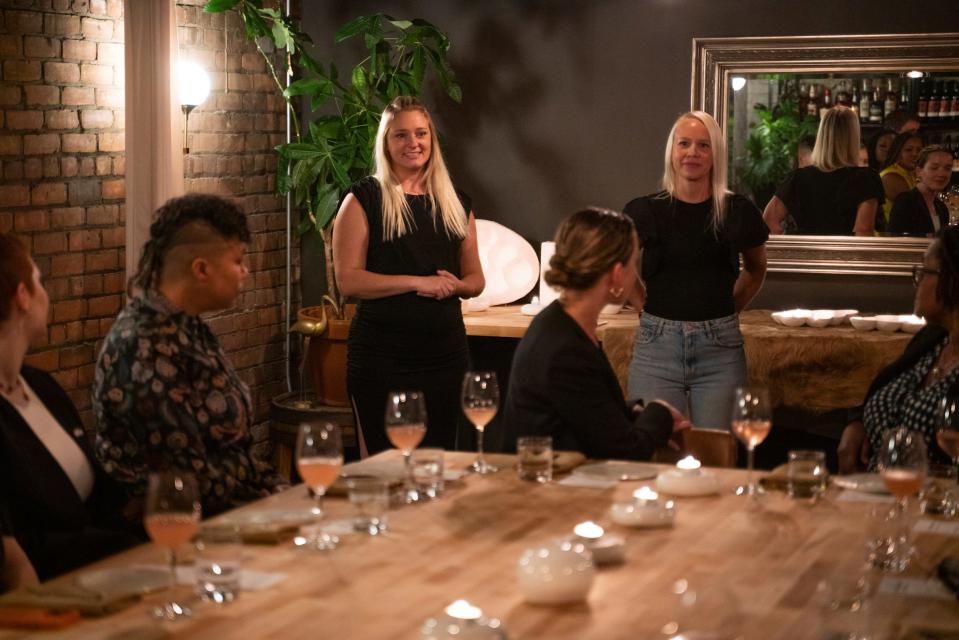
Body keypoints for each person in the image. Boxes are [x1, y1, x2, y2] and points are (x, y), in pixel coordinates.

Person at [94, 194, 284, 516]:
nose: (245, 272)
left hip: (230, 511)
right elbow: (187, 481)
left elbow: (233, 454)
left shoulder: (185, 326)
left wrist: (281, 490)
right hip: (178, 530)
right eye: (238, 261)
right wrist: (269, 494)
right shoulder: (143, 348)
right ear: (201, 269)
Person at [332, 96, 485, 454]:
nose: (412, 143)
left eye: (420, 133)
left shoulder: (455, 201)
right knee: (386, 471)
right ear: (386, 143)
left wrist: (456, 286)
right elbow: (348, 281)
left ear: (431, 139)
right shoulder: (363, 198)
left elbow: (476, 279)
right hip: (382, 358)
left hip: (446, 356)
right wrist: (419, 282)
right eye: (400, 135)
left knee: (439, 468)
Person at [0, 233, 139, 580]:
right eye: (39, 282)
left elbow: (104, 500)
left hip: (108, 560)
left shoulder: (42, 387)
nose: (46, 293)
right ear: (22, 297)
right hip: (59, 586)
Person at [502, 208, 689, 459]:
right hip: (549, 488)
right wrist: (659, 413)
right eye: (633, 263)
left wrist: (635, 412)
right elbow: (627, 450)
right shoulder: (564, 348)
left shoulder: (561, 322)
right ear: (615, 274)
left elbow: (582, 408)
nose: (635, 272)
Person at [624, 111, 768, 430]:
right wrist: (642, 310)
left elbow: (757, 269)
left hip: (721, 351)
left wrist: (729, 311)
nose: (692, 153)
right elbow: (619, 266)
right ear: (672, 151)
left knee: (717, 455)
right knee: (655, 450)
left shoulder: (738, 211)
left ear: (715, 154)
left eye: (703, 146)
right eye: (684, 143)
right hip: (656, 349)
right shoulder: (644, 210)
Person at [838, 226, 959, 473]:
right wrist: (857, 423)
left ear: (952, 280)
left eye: (924, 272)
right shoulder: (933, 340)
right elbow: (885, 385)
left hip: (933, 503)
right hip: (873, 496)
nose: (916, 281)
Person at [764, 106, 883, 236]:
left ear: (822, 136)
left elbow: (769, 221)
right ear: (853, 137)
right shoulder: (866, 179)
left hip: (806, 254)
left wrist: (793, 249)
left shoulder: (798, 178)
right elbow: (863, 230)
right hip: (846, 255)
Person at [888, 145, 953, 237]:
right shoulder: (906, 201)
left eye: (947, 168)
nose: (941, 173)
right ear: (919, 171)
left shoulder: (941, 208)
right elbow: (896, 241)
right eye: (934, 168)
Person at [879, 131, 923, 225]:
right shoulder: (890, 177)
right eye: (908, 150)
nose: (915, 154)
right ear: (897, 151)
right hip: (896, 235)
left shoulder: (914, 173)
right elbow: (916, 210)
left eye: (919, 150)